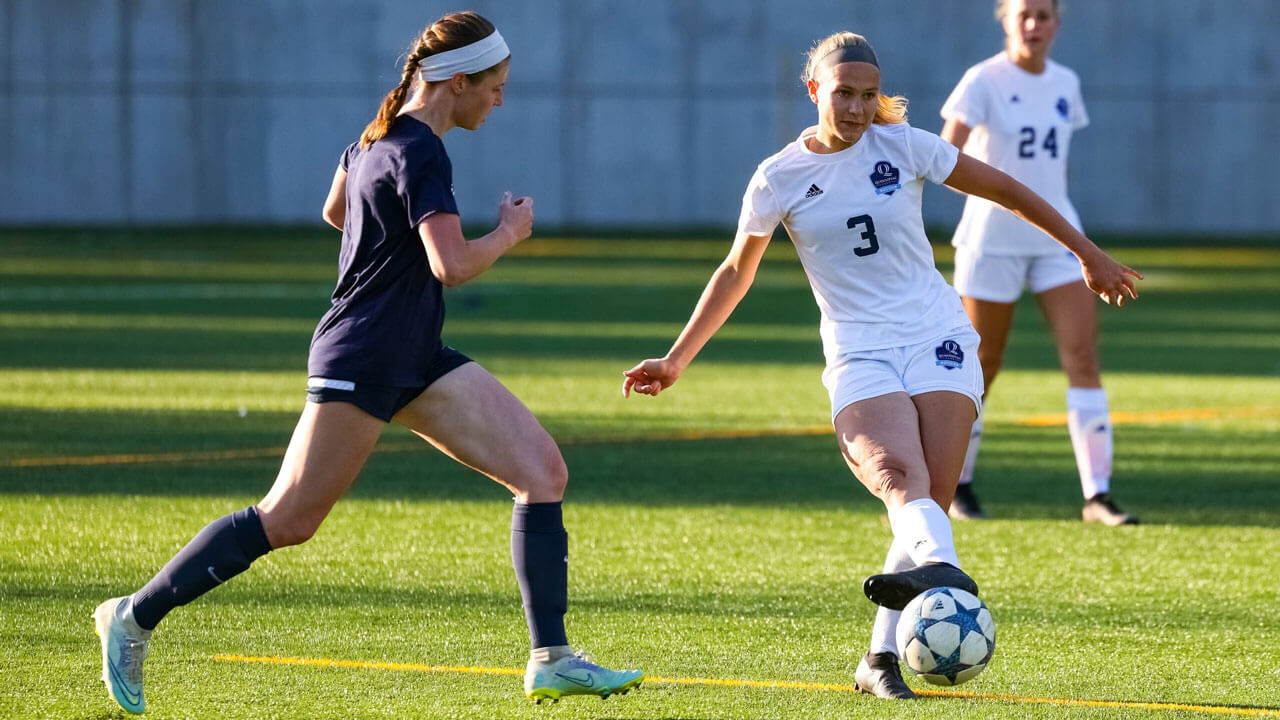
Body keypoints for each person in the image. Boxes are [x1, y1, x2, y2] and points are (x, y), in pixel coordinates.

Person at [92, 12, 642, 714]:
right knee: (288, 518)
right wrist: (508, 233)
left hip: (413, 352)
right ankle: (134, 616)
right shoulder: (419, 151)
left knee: (542, 471)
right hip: (365, 354)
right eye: (494, 87)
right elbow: (450, 264)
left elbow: (336, 211)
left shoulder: (373, 140)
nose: (500, 100)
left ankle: (552, 657)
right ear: (457, 81)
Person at [622, 31, 1139, 700]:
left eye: (869, 96)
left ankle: (879, 659)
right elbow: (734, 272)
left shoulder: (906, 145)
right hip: (859, 349)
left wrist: (1086, 253)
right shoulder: (779, 175)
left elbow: (1008, 189)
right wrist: (676, 358)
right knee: (901, 482)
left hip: (938, 337)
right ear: (815, 92)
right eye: (844, 94)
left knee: (928, 503)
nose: (859, 109)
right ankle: (946, 576)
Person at [940, 0, 1137, 525]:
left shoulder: (1065, 82)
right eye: (1024, 14)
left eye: (1043, 15)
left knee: (1083, 356)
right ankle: (955, 485)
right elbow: (942, 157)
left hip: (1056, 242)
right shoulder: (982, 80)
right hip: (991, 240)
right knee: (982, 363)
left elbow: (1057, 165)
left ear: (1057, 24)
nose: (1033, 25)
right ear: (1005, 19)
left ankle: (1097, 496)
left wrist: (1070, 232)